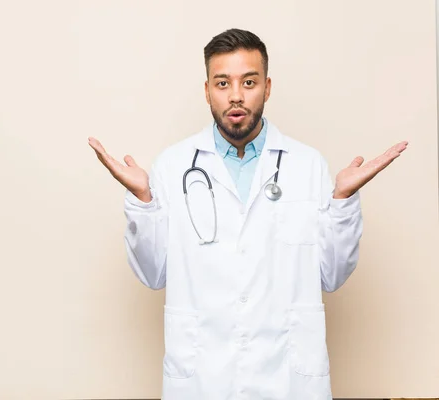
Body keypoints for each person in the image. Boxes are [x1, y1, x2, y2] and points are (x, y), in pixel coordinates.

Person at [88, 28, 407, 400]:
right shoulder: (173, 166)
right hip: (203, 376)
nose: (236, 95)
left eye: (249, 81)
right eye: (222, 83)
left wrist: (342, 201)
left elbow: (332, 276)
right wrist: (143, 201)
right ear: (207, 90)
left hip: (288, 378)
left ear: (267, 88)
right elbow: (152, 273)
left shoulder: (307, 165)